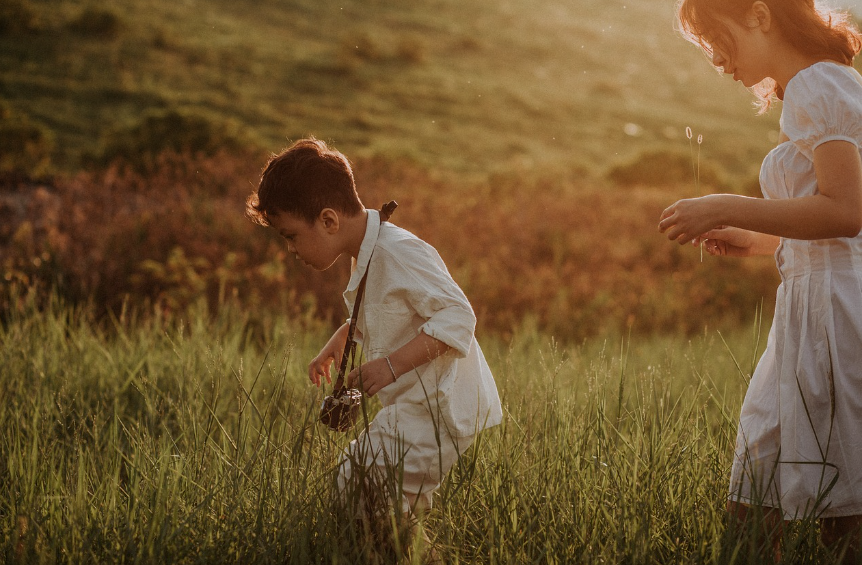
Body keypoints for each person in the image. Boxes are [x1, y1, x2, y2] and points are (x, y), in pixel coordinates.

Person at [659, 0, 862, 560]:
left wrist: (731, 204)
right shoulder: (817, 86)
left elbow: (846, 212)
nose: (715, 59)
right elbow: (822, 224)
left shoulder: (818, 86)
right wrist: (757, 240)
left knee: (841, 505)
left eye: (715, 37)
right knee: (755, 486)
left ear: (759, 14)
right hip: (806, 310)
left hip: (837, 313)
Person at [246, 137, 503, 554]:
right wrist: (343, 336)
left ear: (329, 220)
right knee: (382, 504)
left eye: (291, 236)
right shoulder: (367, 248)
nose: (290, 250)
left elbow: (459, 317)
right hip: (416, 406)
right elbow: (390, 309)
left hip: (440, 409)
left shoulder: (397, 252)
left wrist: (391, 366)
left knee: (359, 486)